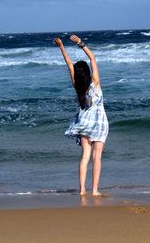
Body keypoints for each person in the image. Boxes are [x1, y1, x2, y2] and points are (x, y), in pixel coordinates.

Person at [54, 34, 109, 196]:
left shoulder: (77, 86)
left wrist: (61, 46)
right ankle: (95, 190)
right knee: (97, 158)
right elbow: (93, 58)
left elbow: (69, 65)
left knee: (85, 156)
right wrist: (80, 43)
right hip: (99, 124)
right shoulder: (95, 83)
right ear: (87, 73)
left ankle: (82, 190)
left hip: (84, 123)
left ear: (78, 76)